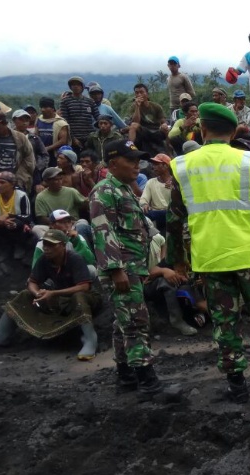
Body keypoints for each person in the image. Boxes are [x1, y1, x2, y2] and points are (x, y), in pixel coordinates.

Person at [167, 103, 250, 402]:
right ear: (233, 130)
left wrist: (178, 260)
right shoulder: (249, 161)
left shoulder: (182, 165)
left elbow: (173, 219)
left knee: (225, 323)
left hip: (210, 259)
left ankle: (237, 386)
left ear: (203, 130)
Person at [91, 139, 164, 395]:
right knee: (135, 323)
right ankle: (147, 381)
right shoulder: (105, 191)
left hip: (132, 267)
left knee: (123, 323)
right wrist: (115, 269)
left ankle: (126, 377)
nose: (137, 165)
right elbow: (103, 230)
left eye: (137, 159)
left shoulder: (123, 189)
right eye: (130, 160)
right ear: (113, 163)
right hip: (122, 269)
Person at [0, 228, 101, 360]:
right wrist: (37, 293)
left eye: (52, 245)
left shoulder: (75, 259)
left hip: (85, 298)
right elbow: (32, 282)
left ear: (63, 245)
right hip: (59, 300)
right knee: (25, 294)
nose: (47, 248)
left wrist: (53, 293)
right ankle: (0, 334)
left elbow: (84, 286)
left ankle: (90, 338)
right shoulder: (44, 260)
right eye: (45, 244)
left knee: (79, 297)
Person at [143, 232, 198, 336]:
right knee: (166, 282)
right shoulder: (175, 257)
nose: (189, 244)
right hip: (159, 291)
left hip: (193, 291)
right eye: (186, 242)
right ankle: (176, 321)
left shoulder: (200, 256)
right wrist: (164, 271)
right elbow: (149, 273)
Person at [0, 171, 33, 268]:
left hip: (17, 223)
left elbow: (27, 217)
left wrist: (8, 215)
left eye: (2, 182)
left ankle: (19, 245)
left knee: (16, 224)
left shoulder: (21, 196)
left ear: (12, 184)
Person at [33, 167, 91, 241]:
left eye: (60, 178)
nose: (60, 181)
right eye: (56, 179)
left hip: (72, 224)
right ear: (47, 181)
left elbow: (85, 203)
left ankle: (80, 245)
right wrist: (58, 224)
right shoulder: (41, 197)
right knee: (36, 228)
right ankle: (51, 246)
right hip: (54, 226)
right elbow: (42, 218)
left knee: (82, 222)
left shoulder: (71, 191)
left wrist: (88, 201)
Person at [0, 105, 35, 193]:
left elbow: (29, 159)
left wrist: (20, 177)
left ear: (5, 123)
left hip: (16, 177)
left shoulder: (20, 138)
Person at [128, 83, 169, 157]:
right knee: (133, 125)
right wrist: (137, 107)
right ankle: (130, 149)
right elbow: (135, 122)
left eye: (141, 92)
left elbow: (163, 121)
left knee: (166, 129)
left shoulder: (156, 106)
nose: (139, 95)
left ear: (147, 94)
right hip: (144, 131)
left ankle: (170, 151)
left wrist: (164, 125)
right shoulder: (133, 107)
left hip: (156, 131)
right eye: (137, 93)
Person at [11, 109, 48, 189]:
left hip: (32, 173)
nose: (24, 122)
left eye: (27, 120)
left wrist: (36, 166)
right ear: (14, 120)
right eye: (21, 120)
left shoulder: (34, 138)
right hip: (13, 172)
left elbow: (44, 155)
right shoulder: (9, 137)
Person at [59, 76, 99, 146]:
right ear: (70, 87)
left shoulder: (90, 101)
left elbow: (98, 117)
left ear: (82, 87)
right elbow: (65, 122)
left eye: (78, 85)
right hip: (74, 138)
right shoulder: (65, 101)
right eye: (73, 85)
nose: (76, 87)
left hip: (90, 137)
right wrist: (73, 138)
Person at [140, 153, 173, 233]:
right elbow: (144, 199)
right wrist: (145, 204)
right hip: (157, 213)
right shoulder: (151, 182)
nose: (153, 167)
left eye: (156, 164)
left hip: (171, 213)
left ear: (165, 166)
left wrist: (174, 186)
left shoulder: (175, 181)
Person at [36, 97, 70, 166]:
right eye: (41, 107)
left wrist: (48, 148)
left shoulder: (61, 123)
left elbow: (63, 140)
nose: (43, 109)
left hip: (55, 155)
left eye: (45, 107)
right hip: (41, 155)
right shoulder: (38, 120)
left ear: (52, 108)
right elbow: (36, 136)